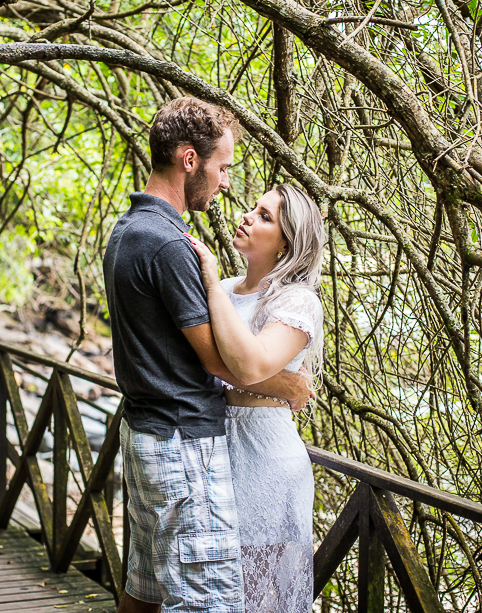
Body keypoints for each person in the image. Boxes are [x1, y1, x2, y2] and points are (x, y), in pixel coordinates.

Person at [104, 98, 312, 613]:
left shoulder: (127, 230)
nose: (225, 183)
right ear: (190, 160)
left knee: (145, 588)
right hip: (181, 441)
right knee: (205, 603)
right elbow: (220, 362)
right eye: (222, 167)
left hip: (149, 430)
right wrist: (287, 386)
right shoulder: (172, 245)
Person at [184, 184, 324, 613]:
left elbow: (249, 365)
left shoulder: (297, 302)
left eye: (265, 216)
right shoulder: (224, 289)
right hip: (213, 443)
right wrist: (285, 384)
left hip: (267, 457)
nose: (247, 216)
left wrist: (207, 279)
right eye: (253, 208)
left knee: (256, 593)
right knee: (211, 587)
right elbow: (196, 361)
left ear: (287, 242)